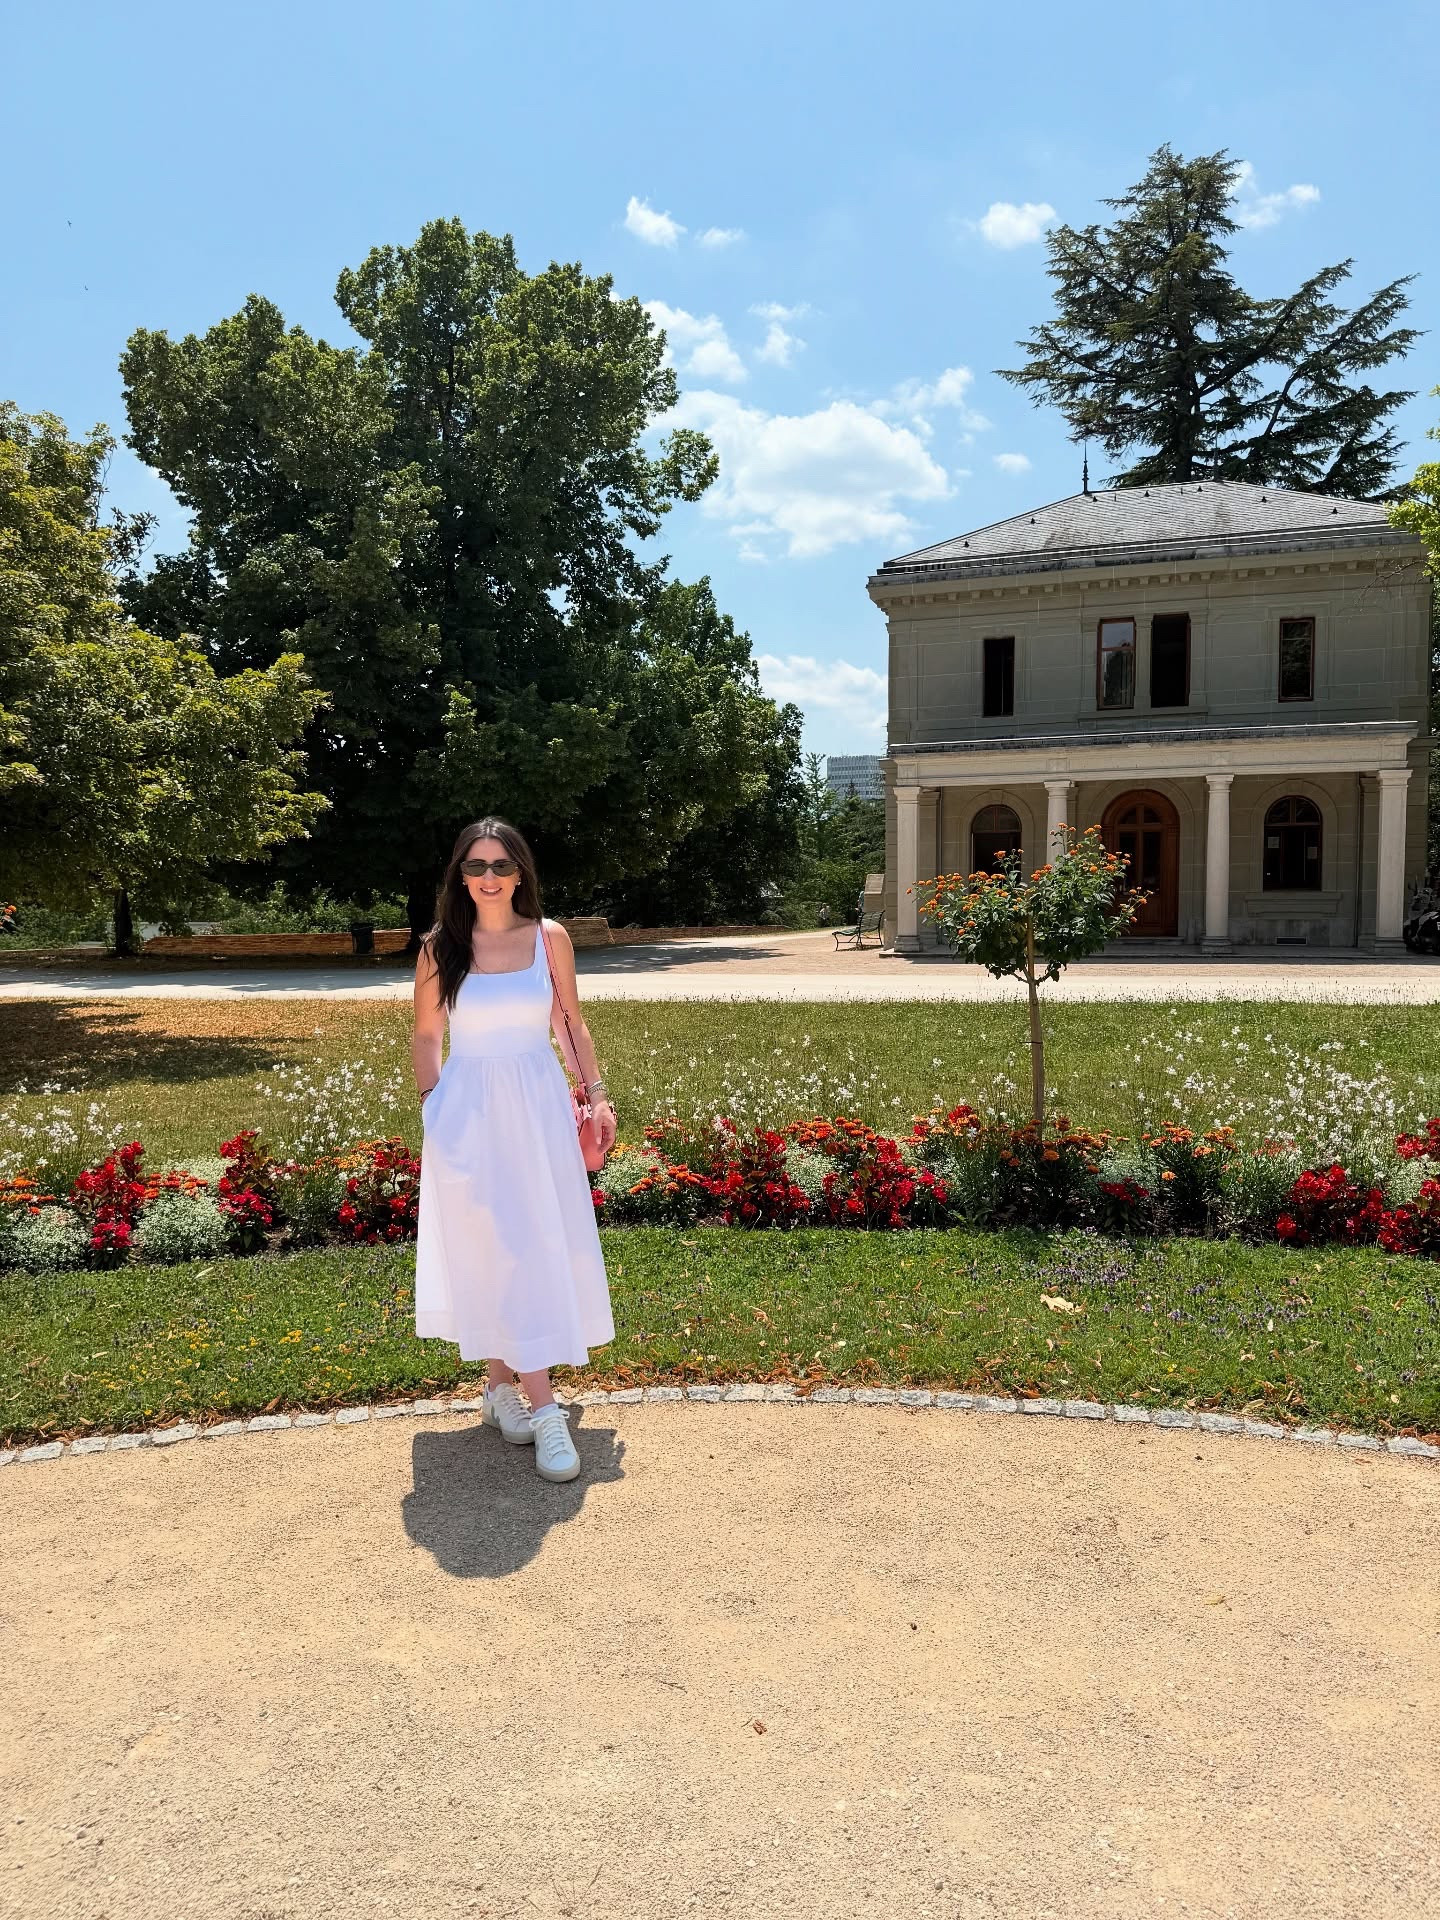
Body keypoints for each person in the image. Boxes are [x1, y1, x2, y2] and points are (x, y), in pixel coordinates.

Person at [412, 817, 618, 1482]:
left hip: (536, 1110)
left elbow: (569, 1024)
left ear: (521, 872)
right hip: (468, 1115)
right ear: (460, 876)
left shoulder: (549, 939)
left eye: (502, 866)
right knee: (500, 1246)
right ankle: (545, 1407)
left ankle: (503, 1389)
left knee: (525, 1243)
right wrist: (435, 1109)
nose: (490, 878)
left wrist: (597, 1095)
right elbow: (425, 1038)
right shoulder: (440, 946)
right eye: (477, 867)